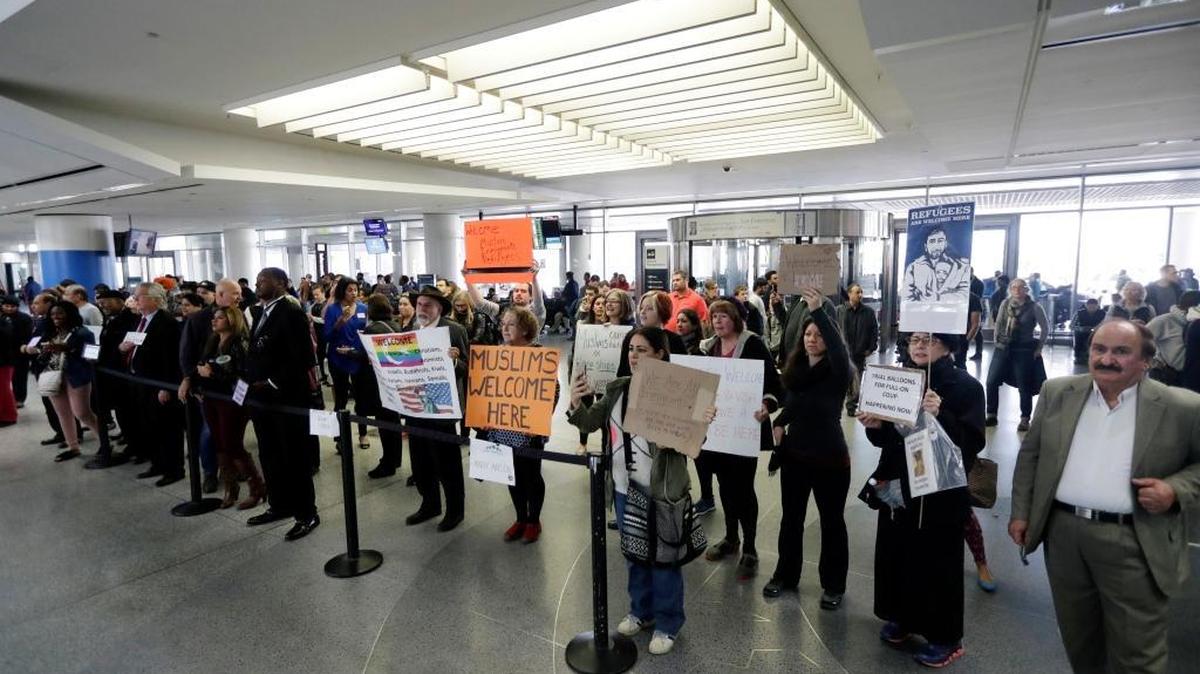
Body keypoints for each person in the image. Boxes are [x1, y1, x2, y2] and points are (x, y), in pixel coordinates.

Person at [1010, 320, 1200, 673]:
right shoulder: (1057, 393)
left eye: (1121, 352)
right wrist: (1021, 512)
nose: (1106, 359)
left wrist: (1176, 490)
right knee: (1080, 640)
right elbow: (1031, 456)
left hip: (1134, 539)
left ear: (1146, 360)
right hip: (1063, 534)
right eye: (1099, 349)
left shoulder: (1182, 407)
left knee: (1137, 653)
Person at [567, 326, 713, 656]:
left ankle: (668, 622)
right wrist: (576, 402)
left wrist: (699, 424)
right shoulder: (618, 388)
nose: (634, 355)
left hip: (662, 491)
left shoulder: (677, 391)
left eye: (642, 350)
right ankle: (641, 611)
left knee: (664, 560)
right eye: (631, 349)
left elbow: (695, 442)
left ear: (661, 354)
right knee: (634, 556)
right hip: (623, 489)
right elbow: (589, 422)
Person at [858, 331, 985, 668]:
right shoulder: (900, 380)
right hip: (899, 484)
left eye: (927, 341)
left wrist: (940, 413)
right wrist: (874, 425)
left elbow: (971, 444)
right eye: (914, 340)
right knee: (897, 552)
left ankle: (946, 637)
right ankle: (902, 616)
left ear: (947, 345)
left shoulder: (966, 387)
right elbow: (885, 438)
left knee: (937, 561)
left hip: (940, 489)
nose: (918, 346)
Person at [765, 288, 851, 608]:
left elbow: (840, 349)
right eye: (808, 334)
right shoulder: (797, 370)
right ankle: (785, 575)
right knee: (791, 519)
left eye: (818, 334)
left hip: (829, 458)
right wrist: (778, 421)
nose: (811, 338)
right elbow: (794, 405)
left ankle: (834, 585)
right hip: (796, 457)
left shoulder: (838, 372)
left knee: (831, 523)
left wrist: (817, 311)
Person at [699, 300, 781, 580]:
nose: (717, 321)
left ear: (735, 319)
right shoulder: (708, 347)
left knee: (744, 487)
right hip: (717, 428)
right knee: (723, 483)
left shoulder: (754, 345)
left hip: (745, 427)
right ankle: (731, 538)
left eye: (723, 316)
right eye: (713, 317)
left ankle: (750, 547)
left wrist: (766, 406)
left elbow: (774, 386)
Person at [243, 268, 320, 541]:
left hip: (286, 399)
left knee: (294, 458)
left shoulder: (290, 311)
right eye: (257, 280)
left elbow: (303, 357)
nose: (257, 284)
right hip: (262, 400)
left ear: (281, 283)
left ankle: (306, 513)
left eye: (263, 280)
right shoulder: (261, 312)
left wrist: (273, 382)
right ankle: (279, 504)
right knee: (270, 454)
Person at [484, 306, 555, 543]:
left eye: (511, 324)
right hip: (502, 426)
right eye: (503, 323)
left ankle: (534, 520)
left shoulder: (539, 354)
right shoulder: (497, 353)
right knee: (511, 474)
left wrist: (538, 419)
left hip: (529, 429)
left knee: (531, 475)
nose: (504, 328)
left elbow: (552, 391)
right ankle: (520, 518)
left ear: (525, 328)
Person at [403, 286, 469, 532]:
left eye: (427, 305)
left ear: (439, 308)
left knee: (447, 462)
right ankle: (429, 503)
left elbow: (468, 367)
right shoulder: (410, 329)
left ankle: (455, 510)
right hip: (415, 403)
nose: (422, 308)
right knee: (420, 461)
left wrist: (454, 360)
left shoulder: (454, 330)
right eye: (419, 304)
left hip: (442, 406)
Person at [193, 305, 266, 509]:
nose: (214, 321)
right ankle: (230, 487)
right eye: (214, 318)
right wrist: (199, 381)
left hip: (231, 400)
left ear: (231, 320)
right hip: (211, 398)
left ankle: (257, 487)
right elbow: (201, 365)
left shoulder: (240, 344)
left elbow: (243, 376)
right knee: (219, 443)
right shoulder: (213, 341)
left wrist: (212, 374)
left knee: (232, 443)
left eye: (220, 318)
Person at [178, 279, 241, 492]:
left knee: (231, 431)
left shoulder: (240, 316)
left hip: (232, 387)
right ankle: (210, 472)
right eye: (235, 294)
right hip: (208, 387)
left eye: (239, 293)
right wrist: (192, 381)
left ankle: (231, 468)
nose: (239, 298)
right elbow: (187, 354)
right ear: (220, 295)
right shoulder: (198, 320)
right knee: (209, 432)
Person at [119, 283, 185, 484]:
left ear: (155, 299)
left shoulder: (167, 323)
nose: (135, 299)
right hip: (140, 382)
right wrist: (123, 348)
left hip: (158, 384)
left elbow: (171, 358)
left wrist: (166, 386)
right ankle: (157, 463)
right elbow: (131, 346)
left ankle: (174, 469)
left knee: (167, 428)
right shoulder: (141, 321)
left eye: (140, 296)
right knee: (149, 425)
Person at [33, 301, 109, 458]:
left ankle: (105, 445)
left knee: (82, 413)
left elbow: (91, 357)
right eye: (53, 314)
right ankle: (72, 447)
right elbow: (41, 354)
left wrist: (69, 348)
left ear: (70, 314)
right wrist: (43, 350)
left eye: (60, 313)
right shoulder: (50, 332)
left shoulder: (83, 332)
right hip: (54, 375)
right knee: (62, 413)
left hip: (77, 376)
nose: (56, 317)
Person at [986, 278, 1048, 431]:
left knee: (1024, 385)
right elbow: (999, 323)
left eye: (1020, 288)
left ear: (1026, 290)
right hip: (1003, 347)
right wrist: (997, 341)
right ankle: (991, 414)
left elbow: (1045, 328)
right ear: (1010, 289)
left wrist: (1039, 348)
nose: (1017, 290)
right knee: (991, 381)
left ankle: (1025, 418)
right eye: (1014, 287)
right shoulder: (1005, 304)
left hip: (1023, 349)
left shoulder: (1035, 307)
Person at [324, 278, 370, 448]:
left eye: (355, 290)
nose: (353, 293)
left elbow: (367, 331)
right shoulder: (332, 309)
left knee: (361, 399)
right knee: (341, 399)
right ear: (342, 291)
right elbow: (327, 336)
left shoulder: (364, 309)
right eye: (350, 290)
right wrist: (340, 321)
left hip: (358, 358)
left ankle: (363, 434)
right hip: (338, 358)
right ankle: (339, 437)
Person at [836, 282, 878, 415]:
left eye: (861, 292)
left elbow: (874, 331)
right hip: (842, 354)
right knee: (841, 381)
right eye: (857, 292)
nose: (860, 295)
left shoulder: (868, 312)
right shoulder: (839, 311)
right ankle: (836, 407)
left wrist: (871, 348)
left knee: (856, 382)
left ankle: (851, 406)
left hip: (859, 353)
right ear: (849, 294)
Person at [1145, 290, 1200, 386]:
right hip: (1169, 376)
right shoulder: (1164, 321)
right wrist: (1154, 363)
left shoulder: (1196, 322)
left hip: (1193, 374)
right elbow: (1139, 340)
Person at [464, 264, 546, 327]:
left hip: (529, 349)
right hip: (505, 349)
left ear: (531, 296)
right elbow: (481, 303)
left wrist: (534, 278)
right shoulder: (503, 310)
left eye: (523, 291)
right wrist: (468, 279)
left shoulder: (535, 312)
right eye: (516, 291)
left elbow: (538, 302)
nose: (519, 293)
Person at [903, 226, 971, 302]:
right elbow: (907, 298)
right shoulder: (913, 267)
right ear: (926, 246)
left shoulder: (960, 267)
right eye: (932, 241)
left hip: (951, 313)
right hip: (922, 313)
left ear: (945, 244)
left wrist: (938, 298)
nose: (936, 245)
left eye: (940, 241)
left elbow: (964, 295)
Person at [0, 296, 32, 410]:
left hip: (20, 351)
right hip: (5, 353)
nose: (9, 309)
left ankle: (19, 398)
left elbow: (28, 335)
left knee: (20, 377)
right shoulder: (2, 318)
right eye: (6, 306)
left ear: (17, 307)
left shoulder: (25, 318)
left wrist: (24, 347)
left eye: (12, 307)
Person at [1071, 298, 1106, 365]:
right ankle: (1078, 356)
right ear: (1086, 306)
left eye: (1093, 307)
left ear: (1097, 306)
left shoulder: (1103, 313)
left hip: (1097, 332)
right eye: (1090, 307)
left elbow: (1106, 324)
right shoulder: (1079, 313)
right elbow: (1071, 326)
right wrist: (1080, 328)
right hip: (1082, 332)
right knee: (1078, 334)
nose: (1091, 309)